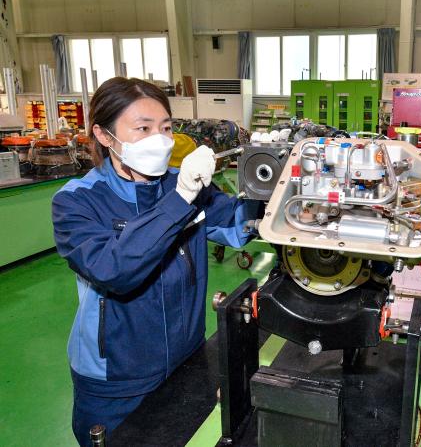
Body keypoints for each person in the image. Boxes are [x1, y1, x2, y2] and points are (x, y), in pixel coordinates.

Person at [51, 77, 262, 446]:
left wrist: (275, 187)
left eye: (165, 128)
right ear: (104, 136)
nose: (159, 140)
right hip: (116, 380)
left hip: (186, 362)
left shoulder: (182, 183)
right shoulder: (77, 202)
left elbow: (236, 222)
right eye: (142, 129)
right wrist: (180, 201)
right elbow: (116, 270)